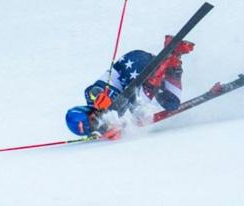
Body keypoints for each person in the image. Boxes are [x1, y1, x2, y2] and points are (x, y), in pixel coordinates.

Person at [65, 35, 194, 139]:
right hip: (146, 69)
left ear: (87, 109)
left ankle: (163, 63)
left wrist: (100, 96)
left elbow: (94, 91)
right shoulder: (105, 123)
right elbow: (121, 126)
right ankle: (174, 57)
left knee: (139, 111)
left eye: (92, 119)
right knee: (172, 103)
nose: (97, 121)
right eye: (93, 126)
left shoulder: (92, 97)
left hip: (133, 65)